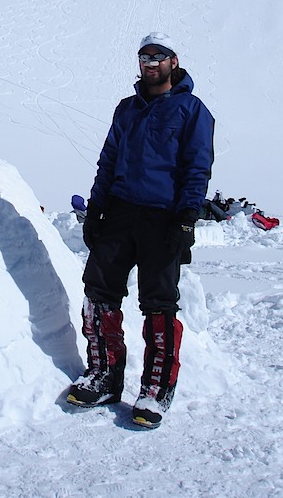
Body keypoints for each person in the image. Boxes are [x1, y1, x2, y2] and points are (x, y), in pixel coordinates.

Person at [66, 32, 215, 428]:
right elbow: (109, 158)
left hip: (163, 217)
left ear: (173, 61)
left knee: (159, 302)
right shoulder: (126, 109)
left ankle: (156, 388)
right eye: (145, 57)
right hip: (119, 212)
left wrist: (186, 218)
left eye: (158, 57)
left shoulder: (192, 111)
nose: (151, 64)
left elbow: (197, 168)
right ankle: (104, 375)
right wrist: (97, 206)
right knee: (99, 292)